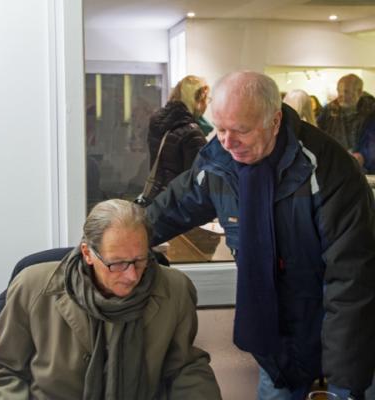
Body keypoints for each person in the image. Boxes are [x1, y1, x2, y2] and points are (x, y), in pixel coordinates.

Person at [146, 71, 375, 400]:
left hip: (338, 329)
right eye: (221, 128)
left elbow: (350, 284)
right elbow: (172, 208)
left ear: (275, 119)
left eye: (241, 130)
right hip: (276, 341)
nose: (227, 141)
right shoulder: (218, 162)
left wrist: (344, 386)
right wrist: (121, 239)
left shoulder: (328, 170)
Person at [0, 199, 222, 399]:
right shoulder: (33, 288)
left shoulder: (175, 290)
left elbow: (185, 368)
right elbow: (0, 371)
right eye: (117, 263)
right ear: (88, 254)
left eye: (139, 260)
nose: (132, 275)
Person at [145, 75, 210, 202]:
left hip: (158, 199)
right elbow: (197, 181)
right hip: (180, 205)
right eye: (206, 99)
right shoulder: (192, 132)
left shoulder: (159, 124)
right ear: (197, 100)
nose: (206, 104)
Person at [317, 74, 365, 156]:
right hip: (334, 160)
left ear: (359, 92)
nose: (341, 95)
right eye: (339, 91)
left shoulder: (370, 113)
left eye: (346, 91)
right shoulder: (328, 111)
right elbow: (318, 134)